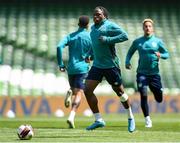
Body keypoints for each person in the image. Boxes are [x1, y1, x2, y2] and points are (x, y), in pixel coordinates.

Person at [84, 6, 135, 132]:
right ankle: (98, 120)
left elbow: (125, 35)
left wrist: (108, 39)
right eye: (94, 14)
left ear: (104, 16)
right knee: (87, 90)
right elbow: (94, 44)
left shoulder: (110, 25)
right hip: (97, 66)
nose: (95, 17)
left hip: (111, 66)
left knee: (120, 93)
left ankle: (130, 117)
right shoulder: (93, 28)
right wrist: (89, 54)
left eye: (98, 14)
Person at [125, 18, 169, 128]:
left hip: (154, 75)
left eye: (149, 26)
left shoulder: (158, 42)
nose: (147, 28)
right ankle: (147, 119)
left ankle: (158, 91)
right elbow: (130, 52)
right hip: (142, 73)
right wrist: (127, 61)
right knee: (143, 95)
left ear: (152, 28)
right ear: (143, 28)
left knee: (159, 99)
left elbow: (166, 54)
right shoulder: (138, 42)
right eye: (145, 26)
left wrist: (161, 55)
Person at [57, 15, 93, 129]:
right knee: (79, 93)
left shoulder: (70, 36)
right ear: (88, 25)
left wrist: (61, 64)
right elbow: (94, 54)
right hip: (82, 69)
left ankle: (70, 92)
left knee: (74, 90)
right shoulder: (90, 37)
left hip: (71, 68)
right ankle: (71, 116)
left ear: (78, 24)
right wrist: (90, 58)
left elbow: (59, 47)